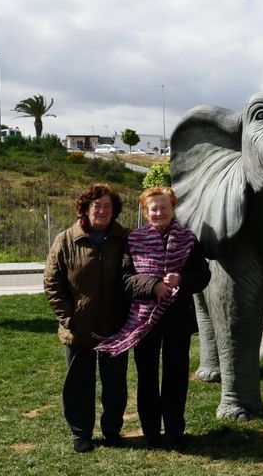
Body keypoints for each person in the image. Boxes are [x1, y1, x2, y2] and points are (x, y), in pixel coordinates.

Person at [95, 186, 210, 451]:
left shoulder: (188, 239)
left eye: (164, 207)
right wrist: (153, 286)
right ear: (146, 212)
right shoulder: (134, 240)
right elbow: (125, 279)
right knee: (146, 377)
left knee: (176, 377)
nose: (159, 212)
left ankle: (174, 431)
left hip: (177, 320)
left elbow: (203, 275)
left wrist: (182, 278)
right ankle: (151, 433)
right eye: (153, 208)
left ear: (172, 209)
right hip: (144, 321)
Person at [44, 184, 130, 453]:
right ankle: (80, 433)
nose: (102, 210)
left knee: (115, 383)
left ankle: (112, 430)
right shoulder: (66, 240)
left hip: (115, 327)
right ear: (85, 208)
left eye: (108, 206)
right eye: (97, 206)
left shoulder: (125, 238)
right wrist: (68, 318)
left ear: (114, 210)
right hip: (78, 328)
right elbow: (52, 282)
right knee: (79, 384)